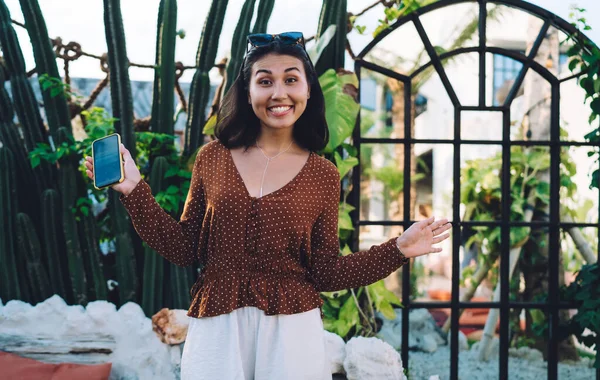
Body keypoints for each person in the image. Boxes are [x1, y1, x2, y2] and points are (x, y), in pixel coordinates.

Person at [84, 31, 451, 380]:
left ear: (308, 89)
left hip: (292, 331)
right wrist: (134, 190)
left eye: (291, 80)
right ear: (247, 91)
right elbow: (185, 247)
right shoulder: (212, 158)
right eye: (264, 81)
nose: (279, 93)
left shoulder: (323, 175)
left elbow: (324, 272)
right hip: (217, 328)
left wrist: (398, 250)